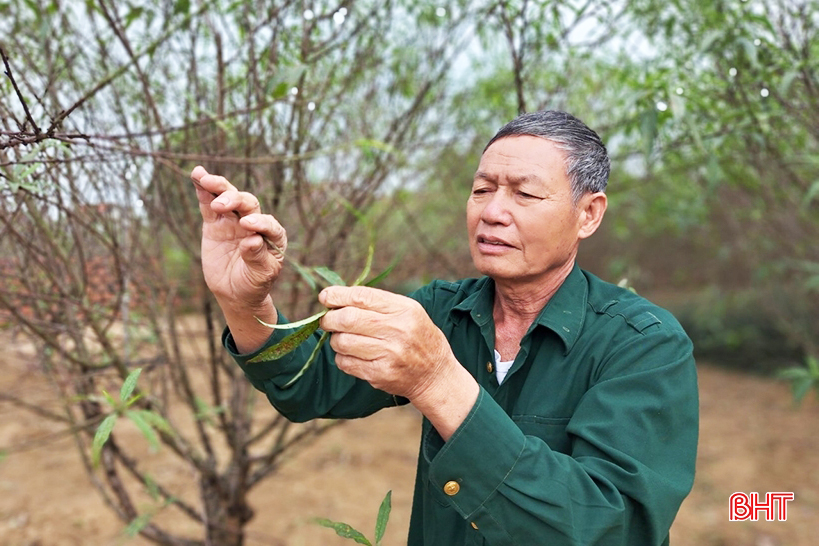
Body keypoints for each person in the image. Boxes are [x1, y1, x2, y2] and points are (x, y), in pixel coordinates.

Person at [190, 109, 698, 546]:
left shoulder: (643, 343)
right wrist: (244, 302)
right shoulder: (441, 309)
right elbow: (309, 387)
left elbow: (611, 527)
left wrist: (438, 381)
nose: (492, 212)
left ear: (588, 214)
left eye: (524, 194)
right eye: (481, 190)